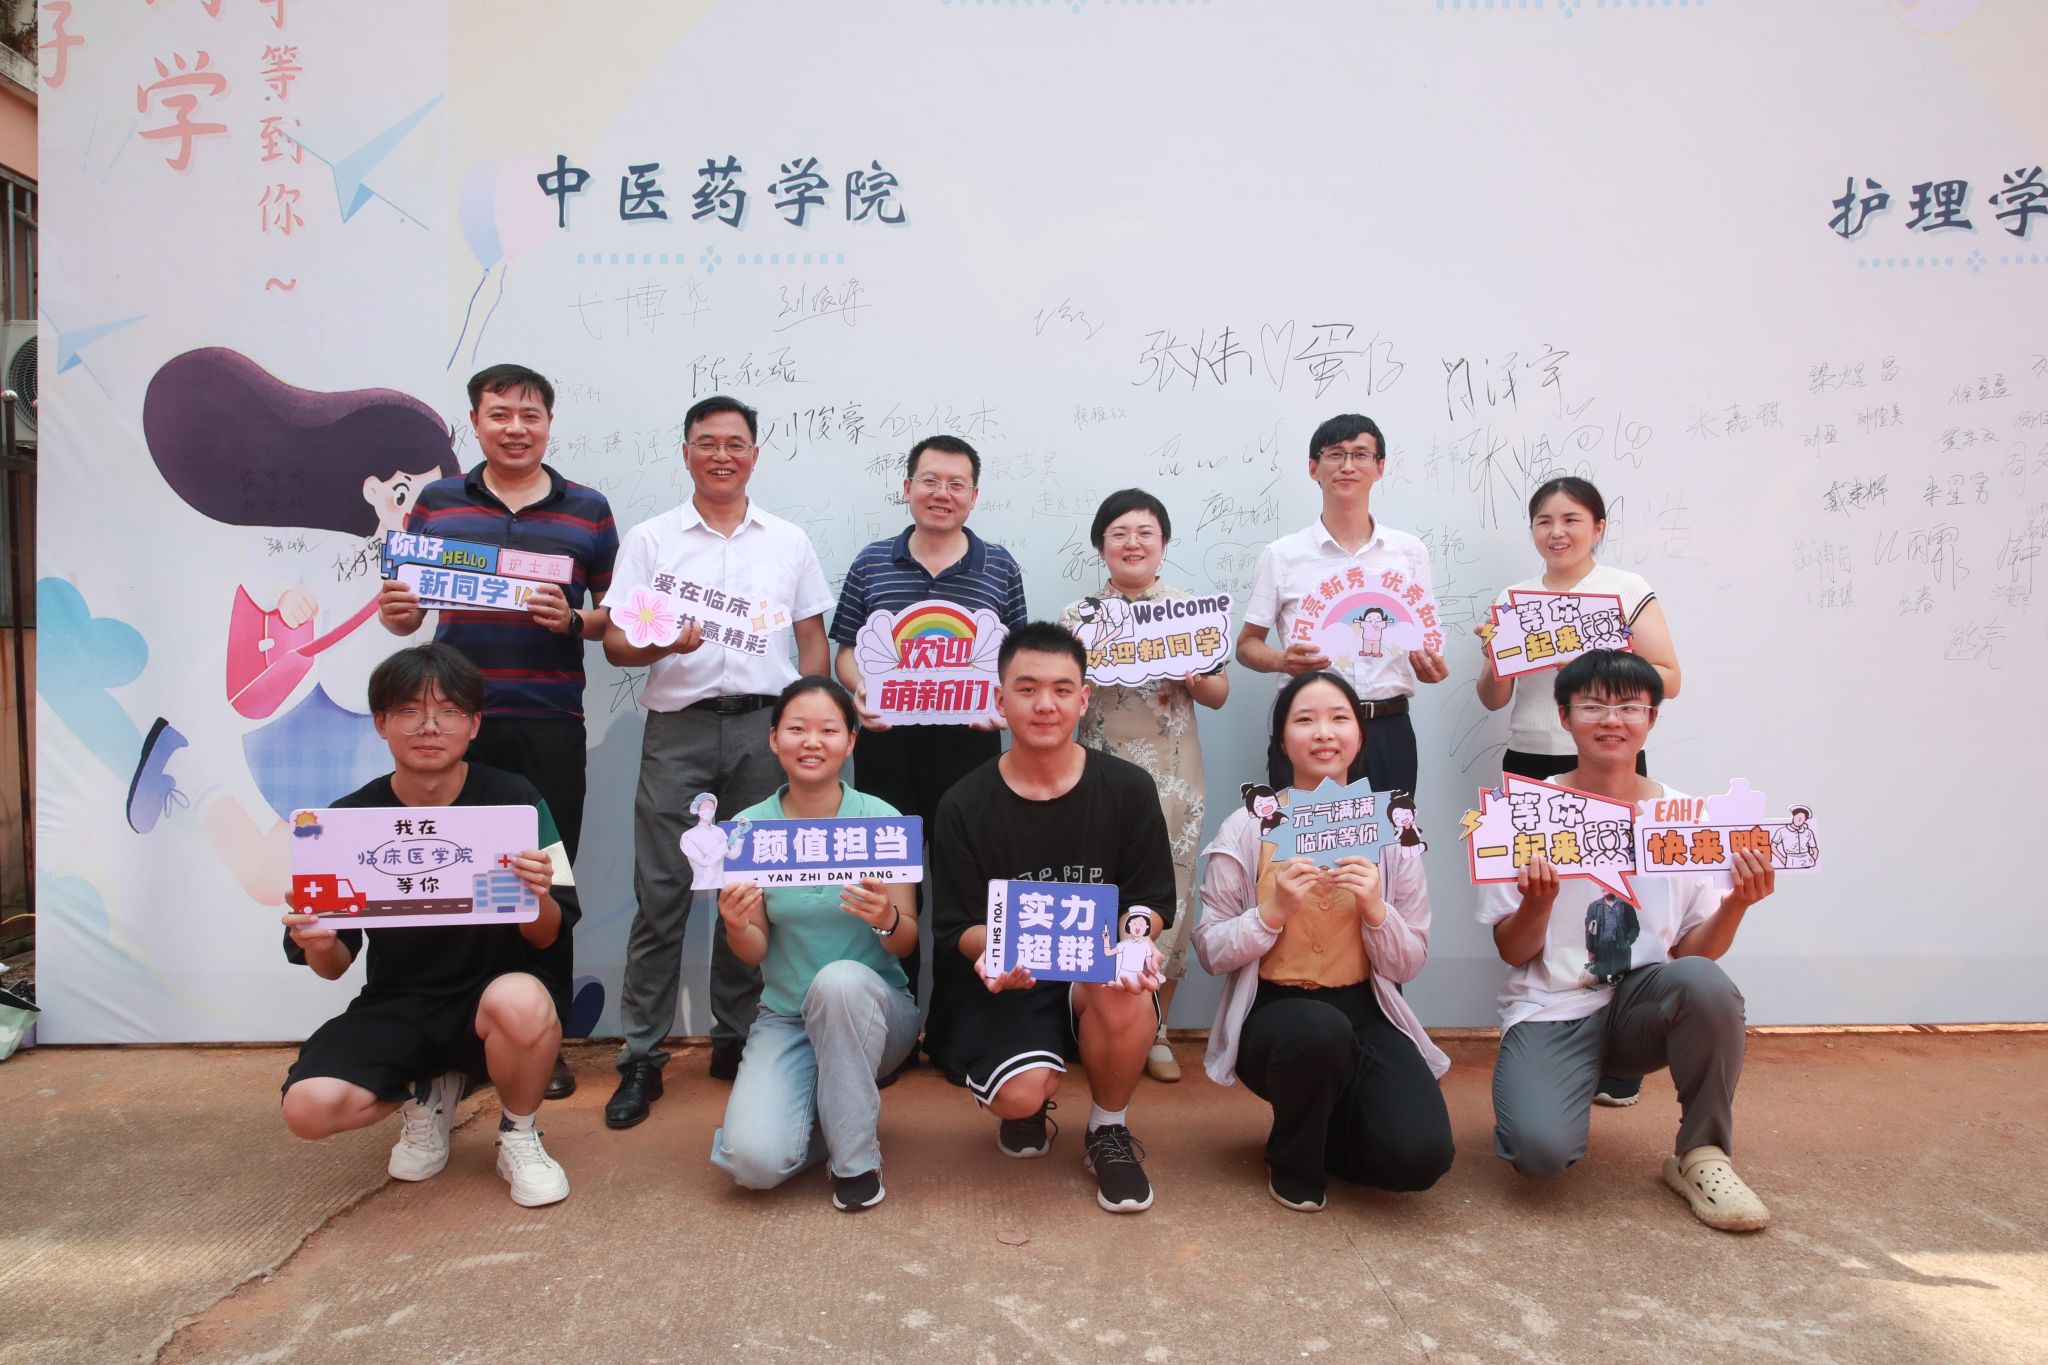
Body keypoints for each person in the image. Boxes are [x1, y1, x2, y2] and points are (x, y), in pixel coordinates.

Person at [379, 363, 618, 1100]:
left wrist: (574, 620)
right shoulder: (438, 503)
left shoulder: (589, 510)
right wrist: (396, 613)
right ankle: (454, 1037)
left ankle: (543, 1037)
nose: (516, 428)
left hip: (549, 720)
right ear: (475, 422)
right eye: (500, 414)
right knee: (452, 874)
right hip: (451, 725)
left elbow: (615, 618)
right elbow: (407, 614)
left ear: (549, 423)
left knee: (547, 878)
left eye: (530, 414)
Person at [1480, 650, 1777, 1233]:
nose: (1611, 720)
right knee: (1538, 1155)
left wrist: (1738, 903)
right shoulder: (1519, 815)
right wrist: (1538, 901)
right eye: (1592, 706)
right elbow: (1513, 952)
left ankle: (1703, 1155)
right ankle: (1551, 1084)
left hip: (1641, 1007)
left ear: (1652, 719)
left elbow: (1692, 955)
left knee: (1706, 985)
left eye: (1628, 707)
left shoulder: (1684, 818)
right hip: (1553, 1007)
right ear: (1564, 717)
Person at [600, 395, 834, 1129]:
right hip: (680, 728)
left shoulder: (788, 541)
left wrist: (806, 720)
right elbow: (616, 645)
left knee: (751, 886)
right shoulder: (652, 540)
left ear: (755, 455)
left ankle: (737, 1038)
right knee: (662, 891)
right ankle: (642, 1053)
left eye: (736, 443)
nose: (722, 455)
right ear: (686, 452)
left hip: (766, 728)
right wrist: (663, 641)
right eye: (707, 442)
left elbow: (813, 641)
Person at [277, 644, 580, 1207]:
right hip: (399, 1001)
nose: (430, 727)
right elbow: (332, 965)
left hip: (494, 998)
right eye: (410, 711)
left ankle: (519, 1133)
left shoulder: (517, 802)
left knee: (521, 1001)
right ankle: (427, 1092)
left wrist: (537, 895)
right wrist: (316, 940)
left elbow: (549, 934)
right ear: (381, 723)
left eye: (449, 712)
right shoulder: (342, 823)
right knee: (308, 1110)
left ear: (474, 725)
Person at [930, 623, 1176, 1213]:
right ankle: (1031, 1096)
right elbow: (956, 926)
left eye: (1062, 689)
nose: (1046, 704)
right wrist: (992, 952)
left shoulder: (1128, 789)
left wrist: (1135, 942)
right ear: (1000, 699)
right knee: (1018, 1095)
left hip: (1094, 975)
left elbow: (1149, 902)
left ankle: (1108, 1129)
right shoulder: (963, 803)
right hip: (1013, 980)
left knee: (1124, 984)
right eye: (1028, 688)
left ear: (1083, 699)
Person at [1194, 670, 1454, 1213]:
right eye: (1305, 720)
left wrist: (1377, 910)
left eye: (1339, 719)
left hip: (1363, 1011)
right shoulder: (1247, 827)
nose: (1324, 733)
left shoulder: (1391, 828)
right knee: (1317, 1031)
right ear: (1281, 739)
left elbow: (1410, 961)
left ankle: (1326, 1127)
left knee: (1420, 1157)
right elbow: (1211, 949)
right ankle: (1294, 1159)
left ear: (1360, 734)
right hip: (1276, 1017)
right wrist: (1271, 913)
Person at [1473, 475, 1680, 1108]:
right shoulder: (1515, 597)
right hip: (1533, 759)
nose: (1557, 532)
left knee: (1616, 899)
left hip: (1611, 760)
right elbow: (1492, 697)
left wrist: (1597, 659)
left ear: (1598, 527)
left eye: (1571, 520)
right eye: (1544, 521)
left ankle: (1621, 1052)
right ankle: (1546, 1027)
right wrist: (1502, 654)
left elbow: (1668, 678)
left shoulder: (1624, 590)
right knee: (1537, 896)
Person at [830, 435, 1029, 1076]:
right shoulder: (872, 562)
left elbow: (1016, 659)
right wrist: (859, 688)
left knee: (966, 886)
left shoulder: (999, 567)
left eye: (956, 484)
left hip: (971, 745)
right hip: (888, 743)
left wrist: (1001, 701)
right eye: (930, 480)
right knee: (891, 880)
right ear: (908, 487)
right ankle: (891, 1026)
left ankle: (954, 1031)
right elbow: (844, 651)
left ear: (974, 494)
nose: (942, 494)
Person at [708, 678, 920, 1211]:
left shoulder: (883, 821)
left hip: (875, 1017)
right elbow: (754, 950)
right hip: (788, 1019)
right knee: (752, 1165)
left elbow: (905, 943)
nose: (811, 742)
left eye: (828, 730)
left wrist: (887, 918)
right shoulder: (748, 830)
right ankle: (841, 1110)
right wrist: (736, 924)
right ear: (773, 738)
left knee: (839, 981)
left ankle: (856, 1162)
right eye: (797, 728)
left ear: (850, 742)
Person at [1058, 489, 1227, 1083]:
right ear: (1101, 545)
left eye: (1146, 532)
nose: (1133, 543)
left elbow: (1219, 694)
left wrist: (1194, 676)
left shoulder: (1189, 612)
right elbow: (1060, 695)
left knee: (1170, 889)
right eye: (1120, 533)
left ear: (1164, 543)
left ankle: (1154, 1025)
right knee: (1096, 886)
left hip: (1173, 772)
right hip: (1097, 767)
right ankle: (1092, 1017)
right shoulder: (1077, 618)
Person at [1235, 414, 1447, 799]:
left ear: (1380, 467)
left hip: (1388, 727)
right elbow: (1247, 646)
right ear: (1313, 468)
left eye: (1361, 454)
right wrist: (1283, 661)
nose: (1348, 466)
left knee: (1392, 836)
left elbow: (1425, 641)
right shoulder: (1282, 555)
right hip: (1311, 731)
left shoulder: (1410, 552)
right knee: (1304, 837)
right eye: (1335, 454)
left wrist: (1431, 668)